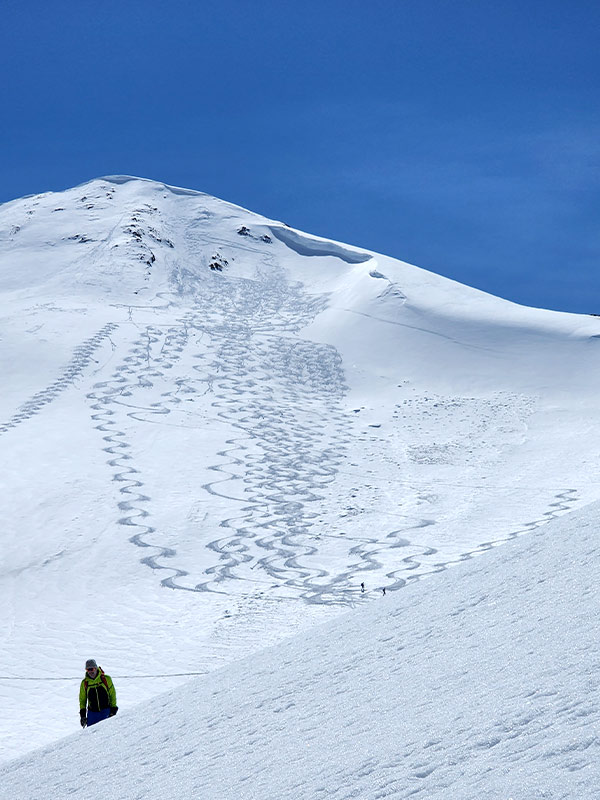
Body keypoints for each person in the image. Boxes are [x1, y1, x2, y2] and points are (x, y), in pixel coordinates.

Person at [79, 659, 118, 728]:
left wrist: (113, 709)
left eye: (92, 669)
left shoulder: (106, 679)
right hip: (92, 714)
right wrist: (83, 715)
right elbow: (82, 699)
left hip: (106, 711)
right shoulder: (85, 683)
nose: (91, 671)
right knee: (91, 735)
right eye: (88, 670)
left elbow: (112, 694)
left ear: (96, 668)